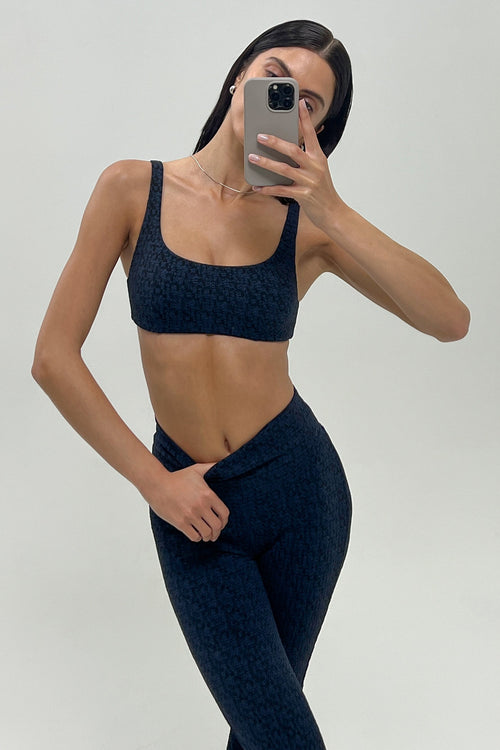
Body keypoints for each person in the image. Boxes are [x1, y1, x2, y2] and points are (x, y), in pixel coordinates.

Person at [31, 18, 470, 750]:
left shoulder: (309, 227)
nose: (284, 100)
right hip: (191, 501)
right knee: (278, 732)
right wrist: (155, 483)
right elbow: (53, 358)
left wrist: (333, 210)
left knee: (265, 730)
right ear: (240, 76)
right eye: (275, 76)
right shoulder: (133, 188)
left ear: (318, 130)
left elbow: (449, 320)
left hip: (303, 495)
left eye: (309, 104)